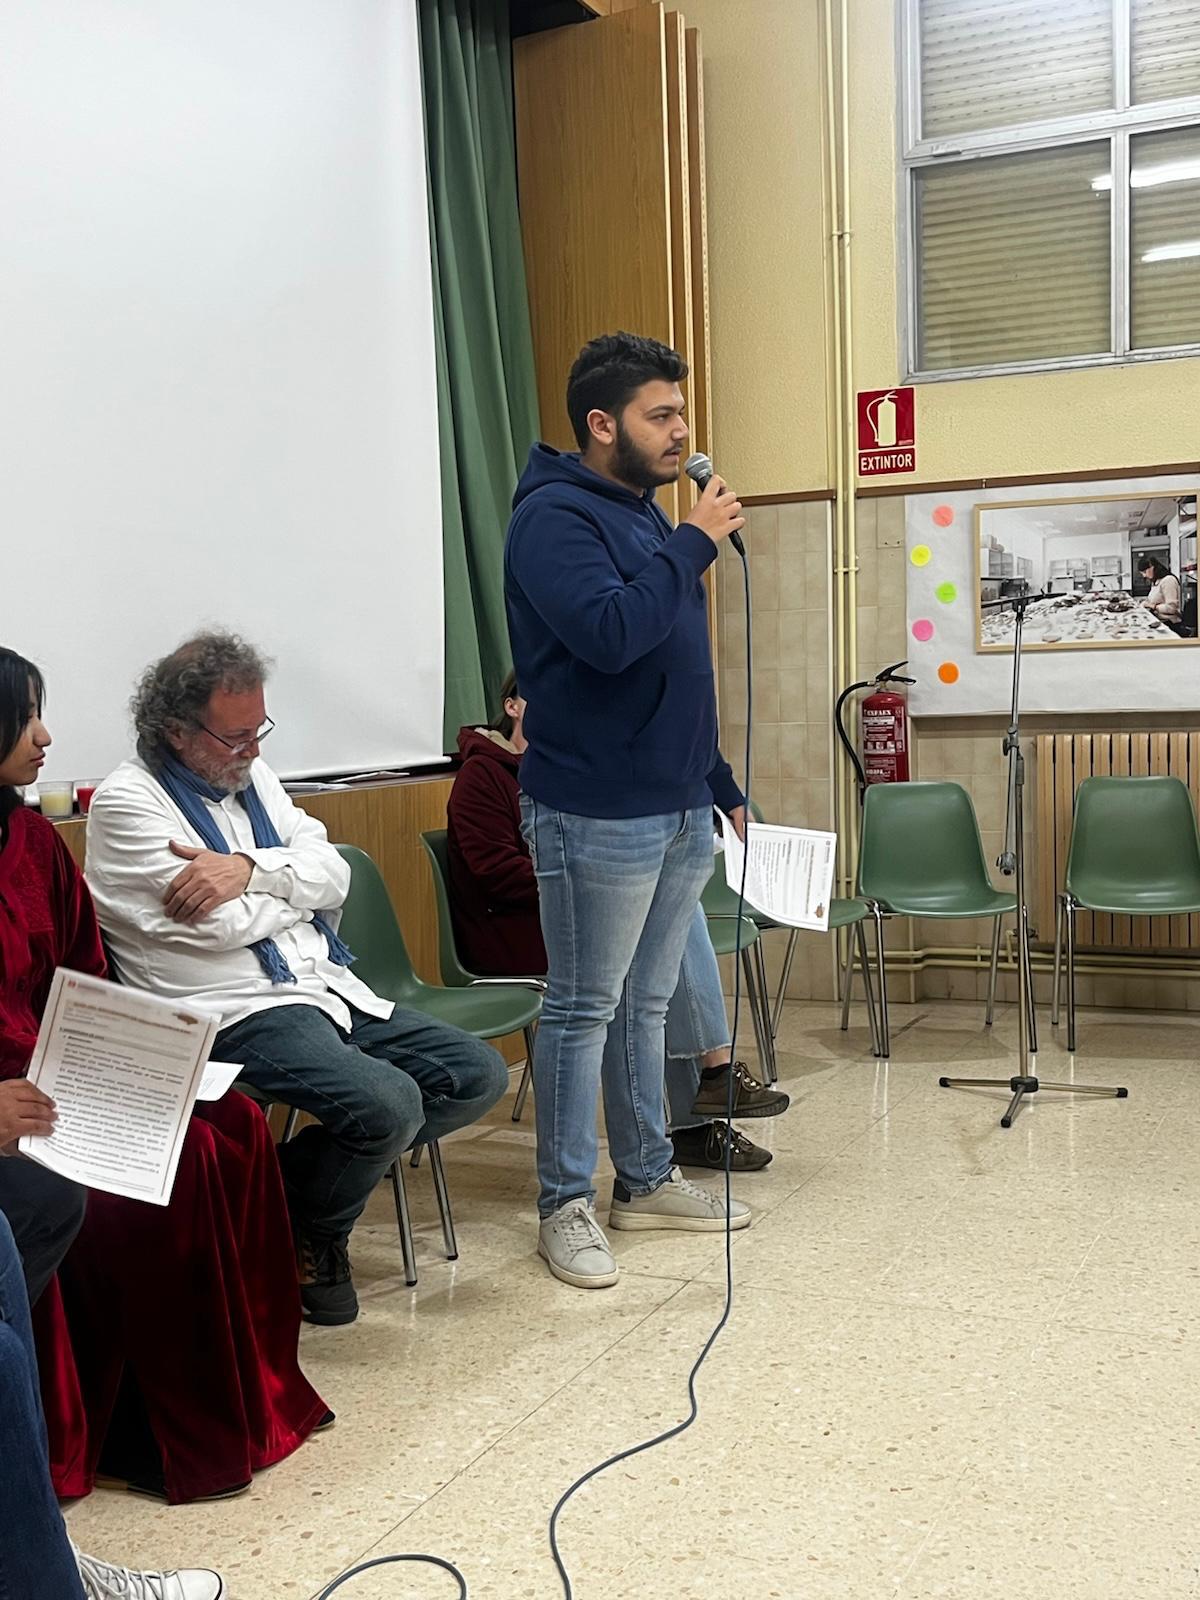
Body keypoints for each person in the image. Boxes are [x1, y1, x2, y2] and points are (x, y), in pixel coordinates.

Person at [85, 632, 508, 1327]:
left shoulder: (251, 775)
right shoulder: (128, 804)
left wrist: (249, 870)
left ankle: (276, 1189)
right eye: (235, 736)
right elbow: (214, 930)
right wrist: (292, 888)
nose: (253, 750)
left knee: (477, 1076)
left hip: (316, 984)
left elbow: (334, 870)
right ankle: (319, 1235)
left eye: (260, 729)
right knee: (389, 1105)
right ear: (175, 731)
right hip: (225, 1008)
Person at [0, 646, 313, 1549]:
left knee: (232, 1124)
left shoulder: (31, 841)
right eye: (25, 717)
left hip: (62, 1069)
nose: (45, 736)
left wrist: (130, 1054)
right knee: (161, 1176)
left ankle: (251, 1405)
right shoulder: (127, 804)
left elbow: (82, 972)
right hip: (8, 1100)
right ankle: (149, 1438)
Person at [504, 330, 753, 1291]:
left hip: (678, 802)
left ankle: (644, 1179)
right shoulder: (553, 518)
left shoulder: (647, 516)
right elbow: (610, 636)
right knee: (582, 1010)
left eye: (681, 413)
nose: (681, 430)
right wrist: (694, 541)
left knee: (646, 1006)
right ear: (602, 424)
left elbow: (676, 670)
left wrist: (717, 782)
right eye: (662, 415)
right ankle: (563, 1203)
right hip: (595, 809)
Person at [446, 671, 788, 1174]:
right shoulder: (483, 775)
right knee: (656, 929)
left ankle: (707, 1095)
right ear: (512, 707)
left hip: (577, 910)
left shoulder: (571, 772)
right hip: (514, 928)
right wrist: (594, 880)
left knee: (668, 912)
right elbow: (495, 873)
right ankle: (706, 1094)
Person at [1139, 556, 1183, 630]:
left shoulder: (1168, 580)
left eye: (1144, 572)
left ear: (1152, 567)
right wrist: (1145, 602)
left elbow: (1171, 608)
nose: (1144, 575)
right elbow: (1155, 599)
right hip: (1158, 620)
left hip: (1170, 623)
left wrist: (1152, 606)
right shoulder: (1156, 582)